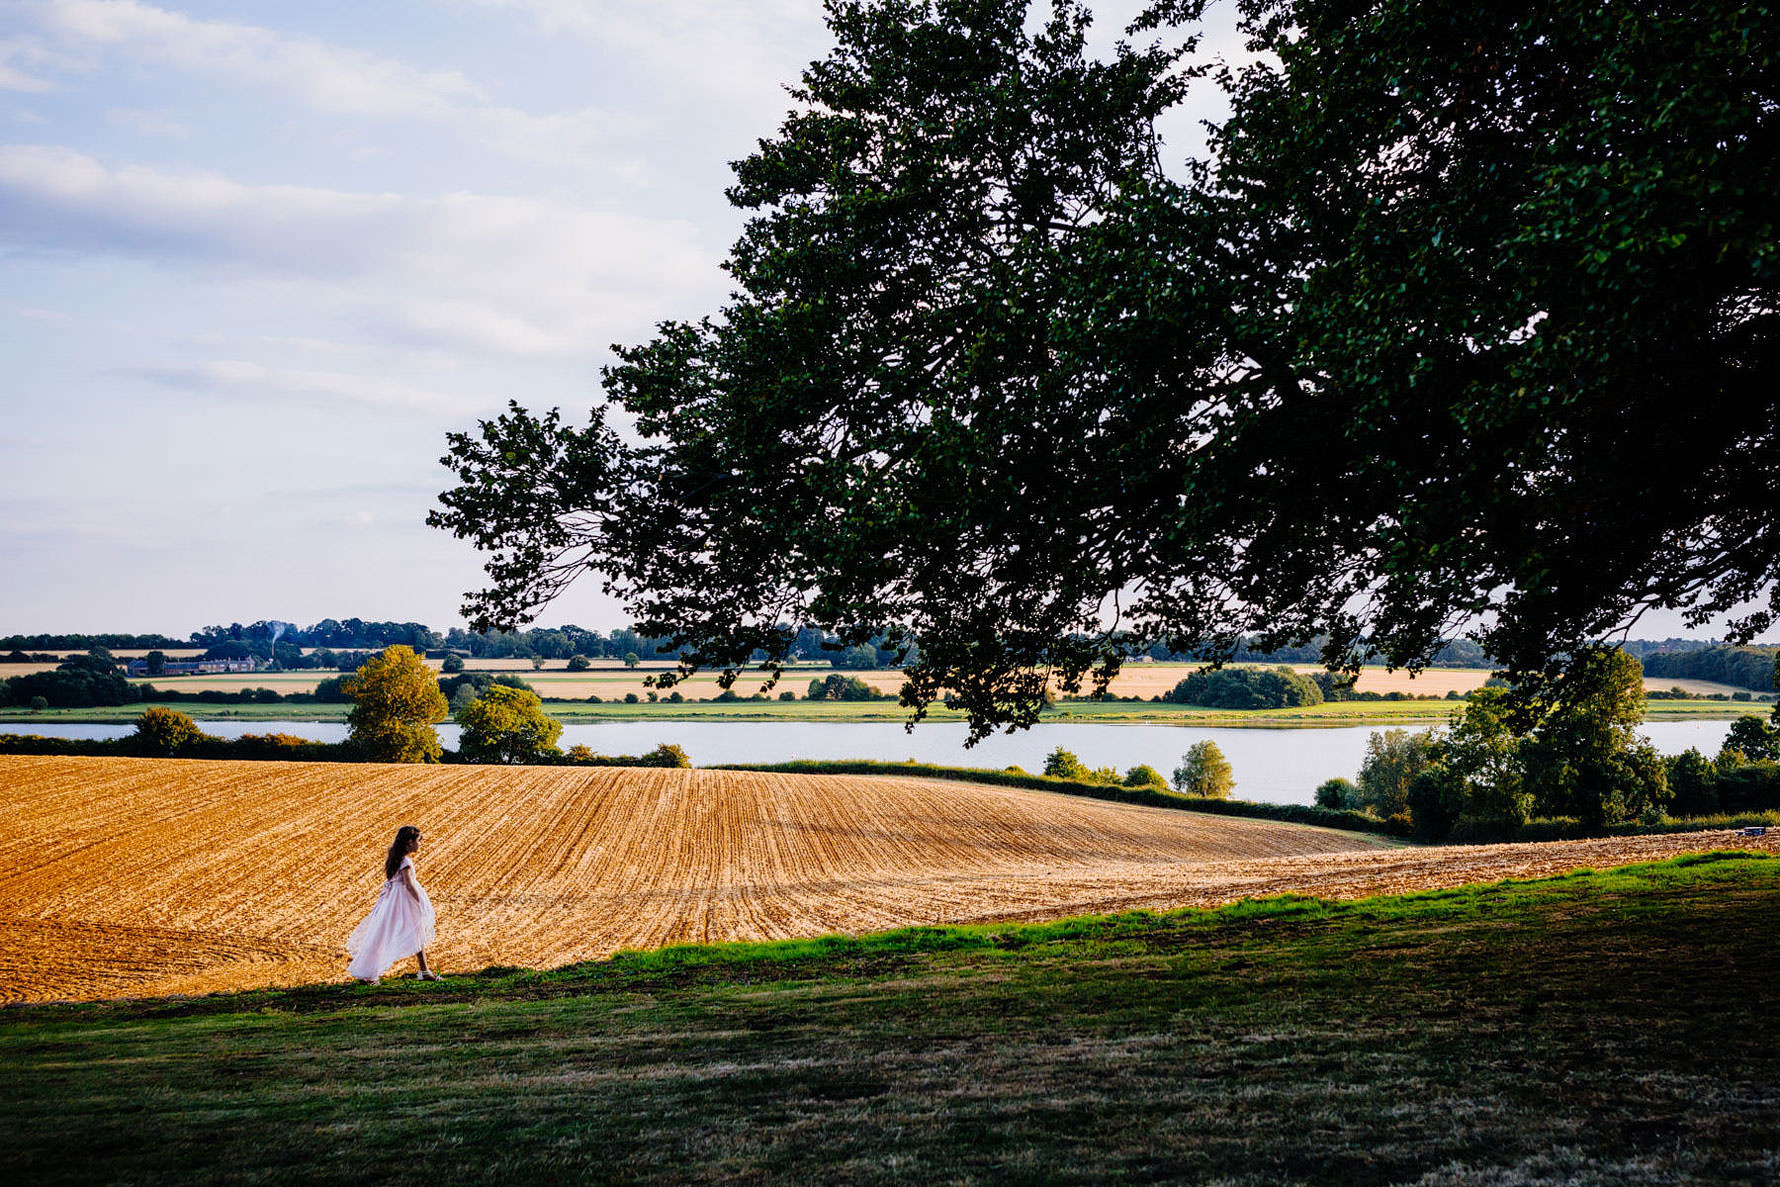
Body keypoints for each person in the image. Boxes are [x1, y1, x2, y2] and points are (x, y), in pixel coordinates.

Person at [346, 824, 440, 983]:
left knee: (395, 932)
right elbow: (409, 884)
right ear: (410, 842)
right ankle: (370, 972)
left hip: (392, 900)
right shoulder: (405, 862)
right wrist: (421, 902)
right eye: (419, 840)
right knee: (411, 931)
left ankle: (424, 970)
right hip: (403, 901)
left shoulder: (395, 859)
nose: (420, 844)